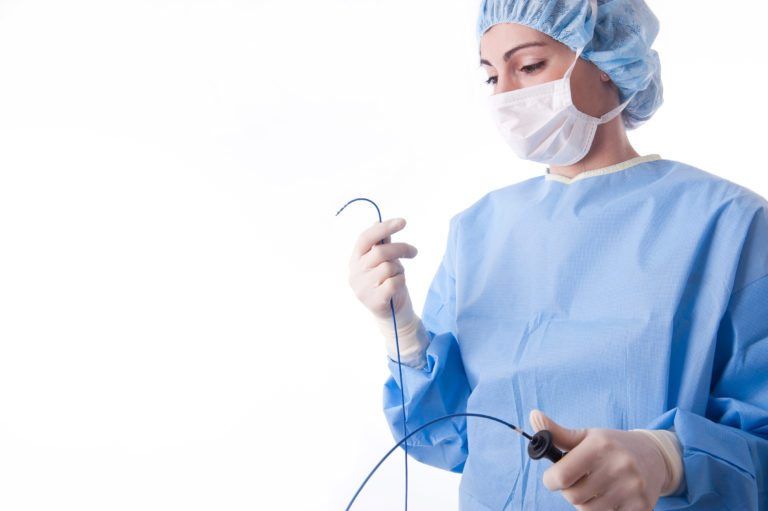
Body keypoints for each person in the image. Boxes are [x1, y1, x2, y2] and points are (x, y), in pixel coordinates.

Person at [346, 0, 768, 509]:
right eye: (490, 76)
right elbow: (457, 439)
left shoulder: (729, 223)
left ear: (609, 63)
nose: (505, 94)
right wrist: (406, 333)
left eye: (528, 66)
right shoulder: (478, 231)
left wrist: (666, 458)